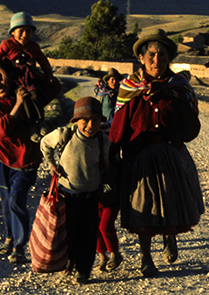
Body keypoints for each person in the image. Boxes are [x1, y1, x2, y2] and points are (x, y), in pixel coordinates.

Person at [109, 29, 204, 277]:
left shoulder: (179, 88)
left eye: (162, 55)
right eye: (151, 55)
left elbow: (191, 129)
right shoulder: (129, 88)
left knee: (171, 200)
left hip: (170, 154)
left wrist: (179, 106)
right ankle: (146, 258)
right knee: (145, 208)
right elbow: (118, 128)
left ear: (169, 59)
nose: (156, 61)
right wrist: (112, 156)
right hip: (140, 157)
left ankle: (170, 236)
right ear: (141, 58)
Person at [40, 97, 110, 285]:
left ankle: (83, 270)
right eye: (84, 120)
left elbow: (106, 165)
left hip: (90, 194)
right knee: (69, 231)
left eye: (95, 120)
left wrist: (105, 183)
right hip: (67, 194)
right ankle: (69, 261)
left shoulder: (103, 141)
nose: (90, 125)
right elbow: (45, 144)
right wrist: (52, 164)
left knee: (88, 234)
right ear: (75, 120)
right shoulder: (64, 135)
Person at [0, 65, 42, 265]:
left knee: (16, 200)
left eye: (0, 79)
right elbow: (1, 131)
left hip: (27, 161)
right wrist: (17, 104)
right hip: (2, 159)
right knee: (7, 200)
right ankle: (9, 236)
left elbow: (54, 88)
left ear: (7, 77)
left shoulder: (28, 97)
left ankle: (18, 246)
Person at [0, 12, 60, 140]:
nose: (25, 35)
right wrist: (4, 73)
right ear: (12, 32)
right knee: (24, 99)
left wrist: (49, 74)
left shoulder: (33, 46)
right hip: (15, 81)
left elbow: (44, 61)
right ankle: (31, 126)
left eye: (28, 31)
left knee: (36, 95)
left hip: (30, 79)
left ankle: (40, 122)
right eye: (20, 31)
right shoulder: (6, 45)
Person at [92, 68, 123, 272]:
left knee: (105, 226)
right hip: (94, 194)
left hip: (111, 194)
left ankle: (114, 254)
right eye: (110, 79)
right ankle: (102, 257)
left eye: (115, 79)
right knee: (95, 228)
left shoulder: (113, 149)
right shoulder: (88, 147)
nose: (113, 82)